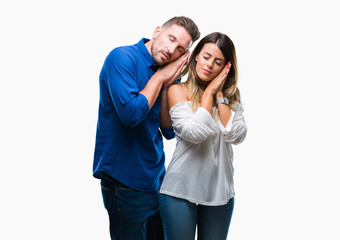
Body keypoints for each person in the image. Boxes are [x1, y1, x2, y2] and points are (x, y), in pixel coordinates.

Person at [92, 16, 200, 240]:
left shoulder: (170, 72)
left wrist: (167, 86)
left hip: (157, 180)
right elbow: (131, 115)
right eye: (171, 39)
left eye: (181, 49)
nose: (172, 50)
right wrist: (160, 78)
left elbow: (169, 130)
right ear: (157, 31)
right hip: (125, 183)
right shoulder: (122, 58)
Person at [159, 32, 247, 240]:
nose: (209, 65)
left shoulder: (230, 97)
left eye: (218, 62)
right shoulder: (177, 90)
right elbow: (193, 133)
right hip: (179, 190)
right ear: (196, 56)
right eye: (206, 57)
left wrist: (218, 94)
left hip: (219, 192)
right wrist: (208, 94)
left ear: (226, 67)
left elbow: (237, 135)